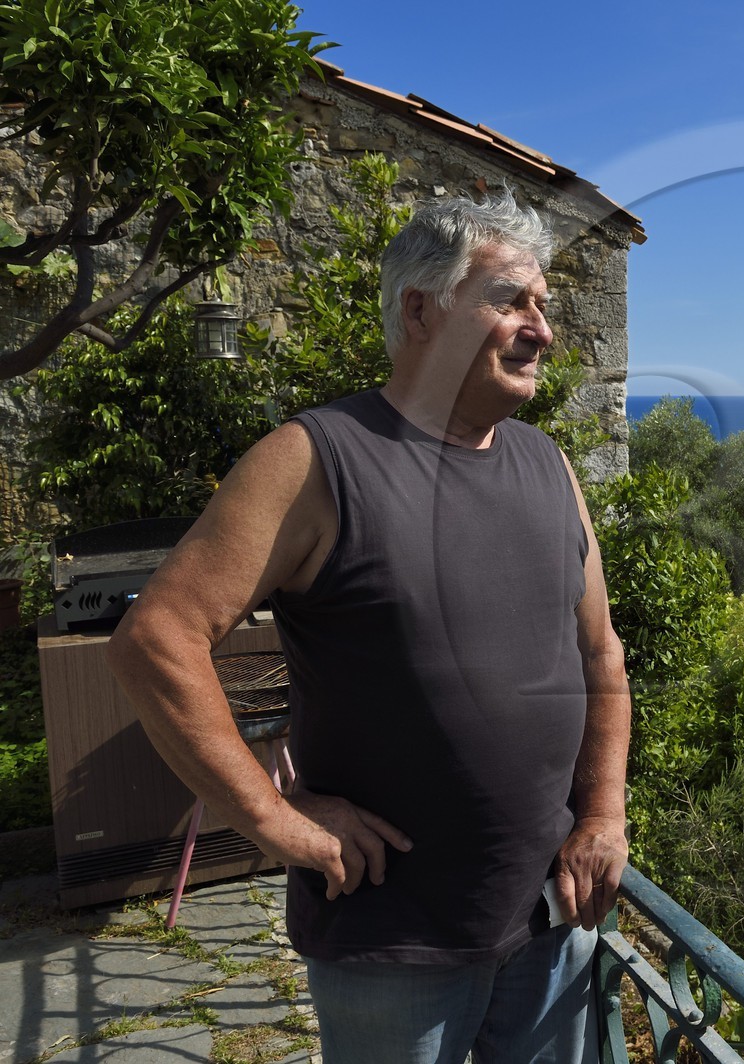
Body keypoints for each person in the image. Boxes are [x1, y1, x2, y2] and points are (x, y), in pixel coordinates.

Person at [108, 193, 631, 1064]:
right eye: (512, 301)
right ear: (421, 310)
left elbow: (598, 653)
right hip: (391, 940)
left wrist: (604, 814)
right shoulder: (317, 460)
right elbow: (157, 640)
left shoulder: (550, 465)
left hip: (550, 915)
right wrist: (276, 821)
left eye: (544, 306)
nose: (542, 328)